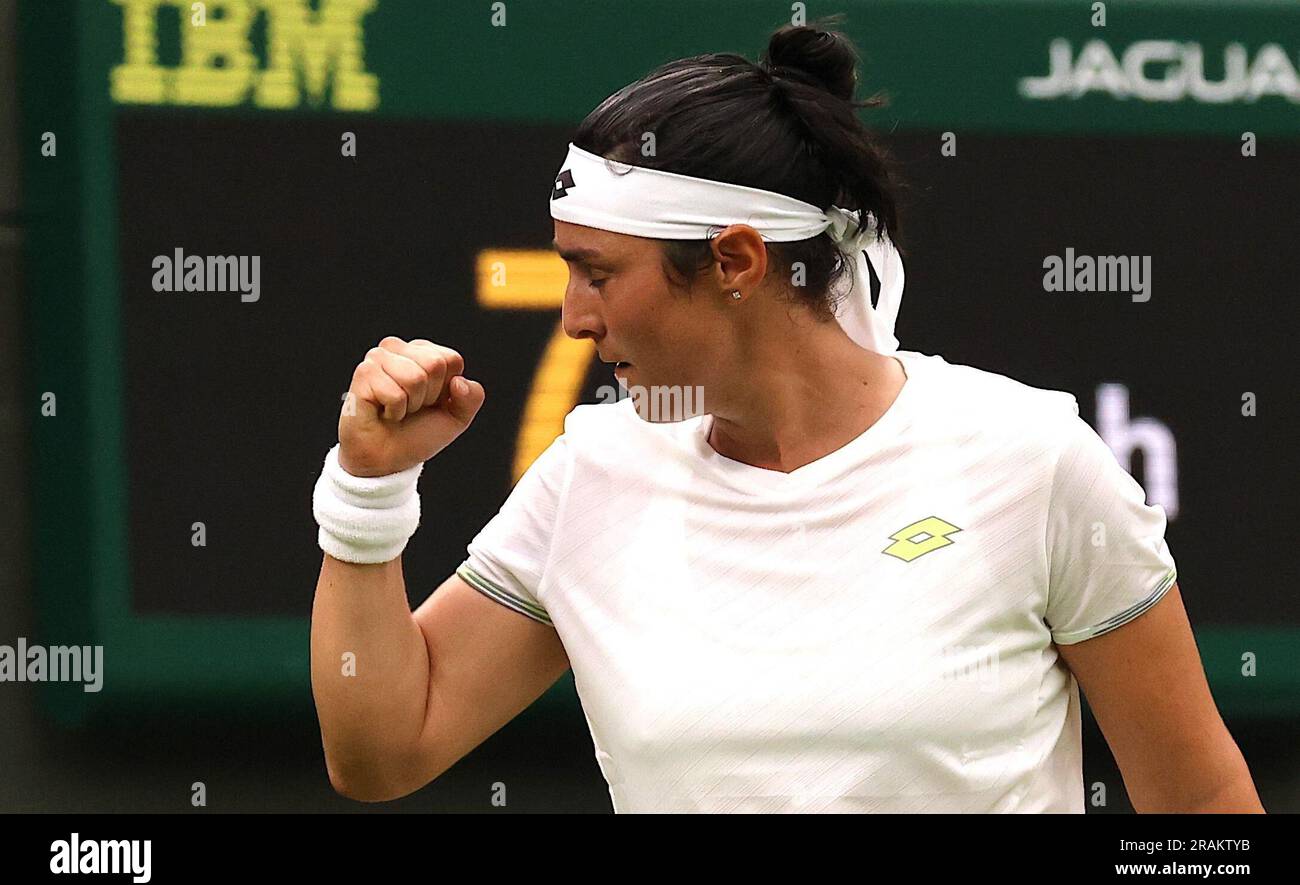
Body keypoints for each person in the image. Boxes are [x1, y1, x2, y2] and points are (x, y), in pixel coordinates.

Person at [310, 19, 1263, 813]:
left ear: (734, 262)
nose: (574, 315)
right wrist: (367, 491)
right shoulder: (587, 475)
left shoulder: (1033, 461)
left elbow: (1202, 806)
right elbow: (385, 751)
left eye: (598, 272)